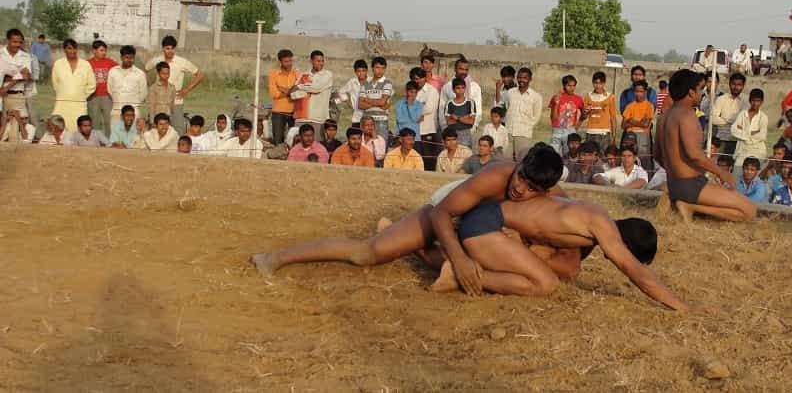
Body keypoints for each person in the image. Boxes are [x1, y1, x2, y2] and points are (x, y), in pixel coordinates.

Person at [254, 149, 688, 310]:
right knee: (367, 253)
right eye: (518, 179)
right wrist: (460, 260)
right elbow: (446, 214)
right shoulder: (495, 177)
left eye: (529, 186)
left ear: (545, 188)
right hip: (451, 207)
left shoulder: (559, 205)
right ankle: (276, 257)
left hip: (484, 223)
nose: (519, 189)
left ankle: (443, 264)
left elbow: (549, 241)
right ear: (516, 167)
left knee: (531, 269)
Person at [654, 69, 758, 223]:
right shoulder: (687, 114)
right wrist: (722, 173)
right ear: (691, 92)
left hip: (674, 183)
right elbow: (694, 154)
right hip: (691, 185)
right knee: (750, 211)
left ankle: (684, 203)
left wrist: (676, 173)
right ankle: (691, 207)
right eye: (700, 89)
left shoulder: (663, 117)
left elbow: (657, 155)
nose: (701, 93)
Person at [145, 35, 203, 134]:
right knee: (157, 131)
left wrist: (186, 90)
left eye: (172, 48)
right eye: (167, 48)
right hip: (159, 102)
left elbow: (200, 75)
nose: (170, 51)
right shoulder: (157, 60)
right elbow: (145, 70)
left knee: (178, 131)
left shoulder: (181, 62)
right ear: (163, 48)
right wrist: (151, 85)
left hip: (176, 101)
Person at [51, 38, 96, 131]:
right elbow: (55, 83)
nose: (72, 51)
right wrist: (64, 93)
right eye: (69, 48)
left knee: (78, 129)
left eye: (75, 48)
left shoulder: (85, 64)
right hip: (62, 102)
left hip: (79, 103)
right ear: (64, 50)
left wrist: (81, 96)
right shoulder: (58, 64)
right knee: (59, 128)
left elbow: (92, 85)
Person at [1, 29, 34, 142]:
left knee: (19, 127)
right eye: (14, 42)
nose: (17, 45)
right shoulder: (1, 54)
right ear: (8, 41)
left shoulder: (25, 56)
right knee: (4, 128)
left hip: (17, 96)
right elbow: (21, 74)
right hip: (2, 98)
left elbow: (27, 75)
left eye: (20, 42)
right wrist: (18, 75)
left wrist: (7, 84)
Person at [292, 50, 333, 141]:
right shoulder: (303, 75)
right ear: (311, 61)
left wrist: (300, 86)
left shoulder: (327, 75)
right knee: (298, 146)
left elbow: (316, 88)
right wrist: (306, 90)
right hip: (301, 118)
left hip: (318, 119)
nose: (321, 63)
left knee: (317, 148)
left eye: (322, 61)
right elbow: (293, 94)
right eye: (318, 61)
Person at [505, 67, 542, 161]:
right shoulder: (510, 93)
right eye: (520, 77)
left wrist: (527, 127)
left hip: (524, 134)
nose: (522, 80)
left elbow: (536, 116)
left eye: (525, 78)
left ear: (530, 79)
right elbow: (506, 108)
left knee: (521, 161)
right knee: (506, 161)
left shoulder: (536, 97)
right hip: (508, 131)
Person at [438, 57, 483, 132]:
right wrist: (445, 128)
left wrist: (473, 127)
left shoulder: (475, 87)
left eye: (466, 70)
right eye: (461, 69)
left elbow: (478, 110)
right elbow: (442, 109)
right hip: (450, 130)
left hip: (469, 130)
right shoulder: (447, 86)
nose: (464, 72)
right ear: (455, 69)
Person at [409, 66, 440, 171]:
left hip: (428, 130)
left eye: (419, 78)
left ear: (425, 78)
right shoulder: (410, 91)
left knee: (428, 161)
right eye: (415, 79)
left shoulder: (432, 91)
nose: (417, 81)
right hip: (414, 132)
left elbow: (429, 108)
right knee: (415, 160)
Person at [107, 45, 147, 125]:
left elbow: (143, 94)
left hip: (133, 111)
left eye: (131, 58)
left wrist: (134, 104)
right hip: (117, 110)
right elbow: (110, 90)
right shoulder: (113, 71)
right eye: (126, 57)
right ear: (121, 57)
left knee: (133, 136)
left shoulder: (140, 73)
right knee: (116, 135)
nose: (129, 60)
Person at [710, 73, 748, 156]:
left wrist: (724, 119)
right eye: (733, 84)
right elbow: (712, 118)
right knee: (720, 164)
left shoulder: (747, 100)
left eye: (739, 85)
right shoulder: (721, 99)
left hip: (738, 140)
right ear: (729, 84)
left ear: (743, 85)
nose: (736, 87)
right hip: (722, 138)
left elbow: (744, 121)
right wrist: (731, 121)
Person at [85, 40, 117, 135]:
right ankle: (96, 141)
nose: (104, 53)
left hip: (107, 96)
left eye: (105, 51)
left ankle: (109, 141)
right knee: (94, 121)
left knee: (108, 121)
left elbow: (120, 70)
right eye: (101, 50)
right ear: (94, 51)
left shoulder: (110, 62)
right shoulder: (87, 64)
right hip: (92, 96)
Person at [268, 49, 299, 146]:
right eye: (286, 61)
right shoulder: (274, 74)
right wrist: (290, 91)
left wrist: (283, 89)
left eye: (290, 61)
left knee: (293, 140)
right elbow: (274, 94)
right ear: (280, 62)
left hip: (294, 112)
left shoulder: (297, 74)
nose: (289, 63)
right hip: (278, 112)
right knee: (278, 140)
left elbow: (299, 90)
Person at [621, 80, 655, 170]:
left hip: (643, 136)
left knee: (643, 161)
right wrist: (640, 122)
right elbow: (623, 125)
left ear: (645, 92)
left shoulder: (649, 106)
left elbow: (646, 124)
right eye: (636, 91)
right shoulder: (630, 106)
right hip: (630, 136)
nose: (638, 94)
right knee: (628, 161)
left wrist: (631, 121)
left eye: (641, 91)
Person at [357, 56, 393, 140]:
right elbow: (360, 105)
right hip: (367, 122)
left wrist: (367, 100)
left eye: (383, 68)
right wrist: (378, 103)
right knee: (367, 148)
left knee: (380, 148)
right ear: (372, 68)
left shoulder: (387, 83)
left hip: (381, 121)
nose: (380, 71)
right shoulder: (365, 83)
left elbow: (382, 102)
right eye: (377, 67)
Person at [731, 88, 768, 168]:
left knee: (755, 174)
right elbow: (733, 130)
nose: (755, 103)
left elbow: (762, 136)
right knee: (737, 172)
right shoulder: (742, 114)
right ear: (750, 101)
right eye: (753, 101)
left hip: (758, 151)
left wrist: (742, 131)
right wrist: (751, 133)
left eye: (758, 101)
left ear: (761, 102)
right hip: (742, 150)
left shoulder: (763, 117)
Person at [547, 75, 583, 157]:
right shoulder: (556, 97)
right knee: (553, 155)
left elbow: (583, 114)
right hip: (557, 130)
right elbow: (553, 117)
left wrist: (577, 127)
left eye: (574, 86)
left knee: (568, 156)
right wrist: (556, 103)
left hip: (570, 131)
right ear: (564, 85)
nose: (572, 88)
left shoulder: (578, 99)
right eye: (569, 85)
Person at [582, 71, 618, 153]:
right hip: (590, 131)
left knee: (603, 157)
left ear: (604, 83)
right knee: (590, 156)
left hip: (604, 133)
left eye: (600, 83)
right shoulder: (588, 96)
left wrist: (613, 136)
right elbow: (584, 116)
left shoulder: (610, 97)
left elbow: (613, 117)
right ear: (592, 82)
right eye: (595, 83)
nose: (598, 86)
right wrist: (586, 112)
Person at [444, 77, 478, 148]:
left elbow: (471, 122)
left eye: (463, 88)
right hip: (452, 134)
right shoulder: (449, 103)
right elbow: (449, 122)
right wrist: (465, 117)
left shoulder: (470, 102)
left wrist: (457, 118)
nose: (461, 90)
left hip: (466, 133)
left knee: (466, 155)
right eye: (458, 88)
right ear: (453, 90)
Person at [338, 59, 369, 128]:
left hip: (370, 118)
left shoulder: (372, 81)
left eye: (363, 71)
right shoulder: (352, 82)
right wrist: (348, 102)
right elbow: (341, 91)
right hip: (357, 117)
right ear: (355, 72)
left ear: (367, 71)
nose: (361, 73)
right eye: (359, 71)